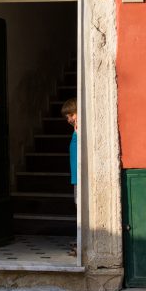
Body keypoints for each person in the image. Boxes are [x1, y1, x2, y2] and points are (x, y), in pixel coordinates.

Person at [61, 97, 77, 256]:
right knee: (77, 206)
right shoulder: (76, 130)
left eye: (70, 115)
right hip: (76, 177)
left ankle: (82, 243)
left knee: (81, 208)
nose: (69, 119)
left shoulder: (81, 130)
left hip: (79, 177)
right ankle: (80, 239)